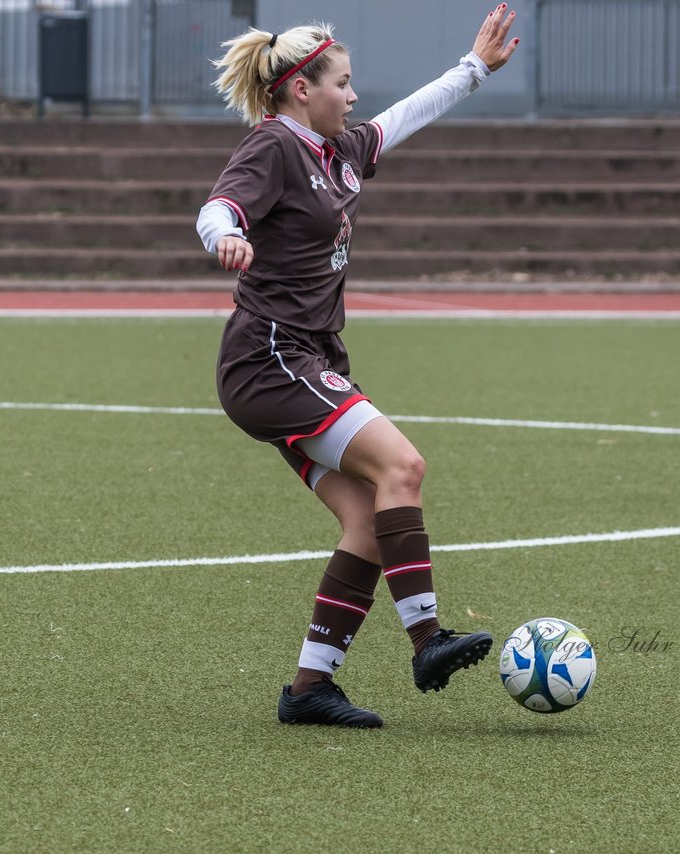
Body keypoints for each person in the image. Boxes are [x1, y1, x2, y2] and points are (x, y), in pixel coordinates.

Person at [196, 6, 519, 727]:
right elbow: (216, 207)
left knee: (370, 520)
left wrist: (474, 69)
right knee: (403, 467)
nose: (354, 95)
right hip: (270, 357)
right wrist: (226, 239)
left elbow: (407, 114)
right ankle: (428, 638)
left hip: (305, 358)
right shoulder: (275, 145)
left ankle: (310, 689)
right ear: (300, 90)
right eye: (343, 84)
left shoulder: (339, 149)